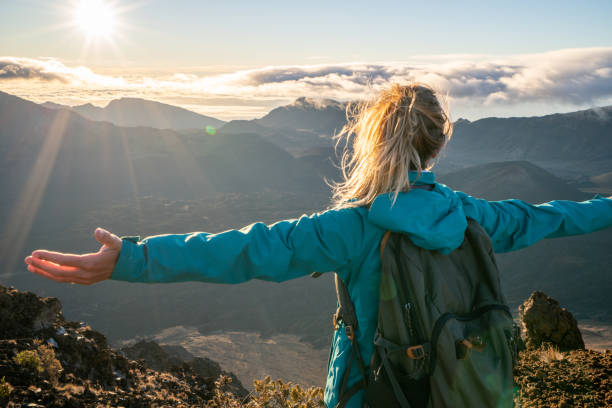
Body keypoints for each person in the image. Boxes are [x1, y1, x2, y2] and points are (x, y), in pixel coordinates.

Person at [25, 83, 612, 408]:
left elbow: (246, 249)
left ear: (374, 141)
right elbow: (555, 217)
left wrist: (130, 260)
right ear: (438, 144)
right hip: (464, 391)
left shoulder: (352, 228)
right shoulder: (475, 217)